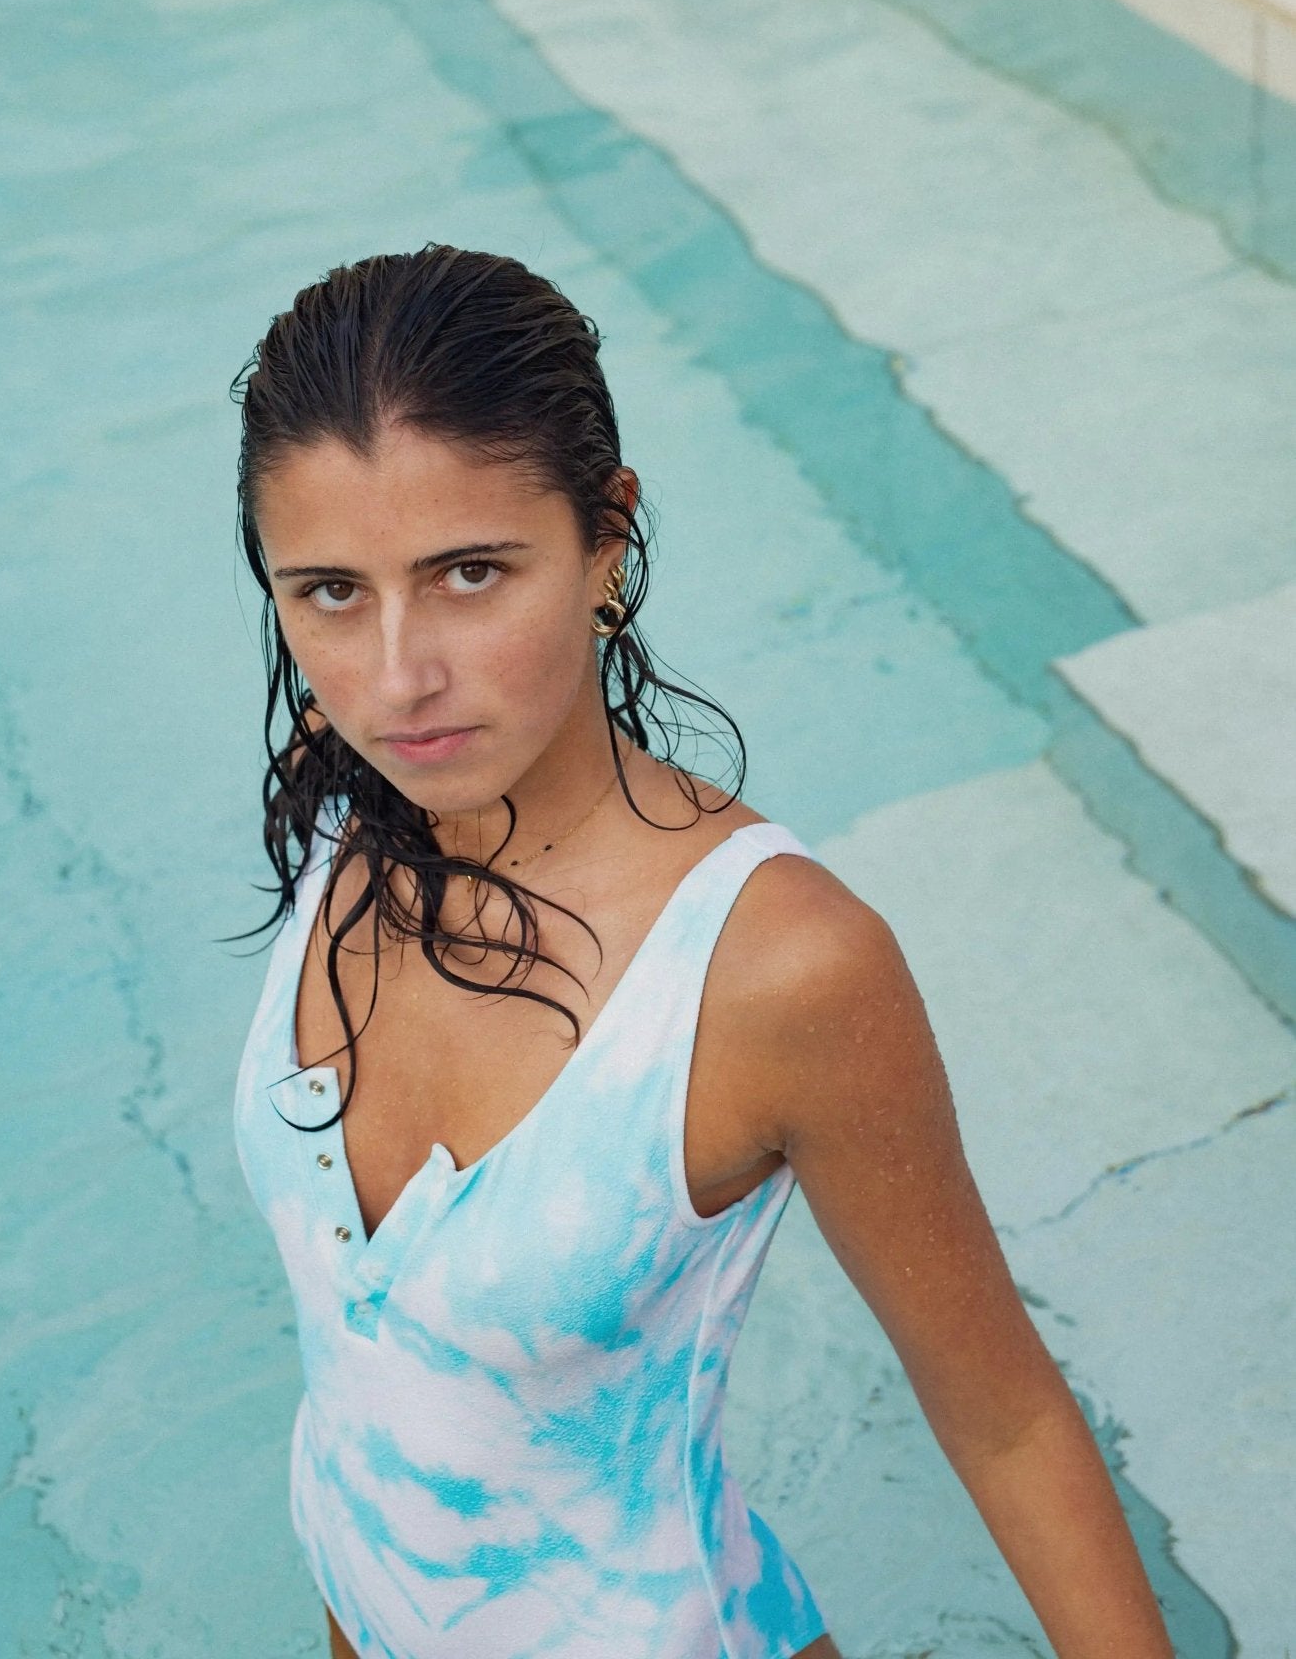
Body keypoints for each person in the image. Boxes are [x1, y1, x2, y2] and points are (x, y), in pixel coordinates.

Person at [229, 245, 1174, 1659]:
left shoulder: (770, 969)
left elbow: (1005, 1418)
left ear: (608, 537)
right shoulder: (346, 786)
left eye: (471, 573)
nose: (395, 677)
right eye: (329, 593)